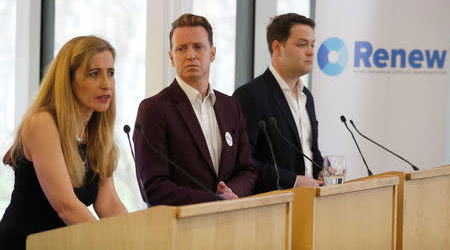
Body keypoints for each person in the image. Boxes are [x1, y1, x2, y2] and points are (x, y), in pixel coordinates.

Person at [0, 36, 127, 249]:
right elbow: (66, 207)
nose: (107, 84)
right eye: (94, 74)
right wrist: (110, 243)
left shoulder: (98, 133)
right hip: (23, 244)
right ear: (68, 81)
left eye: (111, 73)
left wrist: (138, 236)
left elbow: (108, 203)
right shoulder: (42, 124)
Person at [133, 13, 256, 206]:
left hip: (231, 222)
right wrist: (214, 199)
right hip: (179, 228)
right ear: (172, 57)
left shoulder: (230, 106)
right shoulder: (154, 109)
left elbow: (247, 170)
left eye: (198, 47)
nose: (190, 55)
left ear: (212, 53)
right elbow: (153, 187)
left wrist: (232, 192)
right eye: (181, 49)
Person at [233, 13, 324, 194]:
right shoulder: (250, 95)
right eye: (302, 44)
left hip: (310, 203)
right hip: (271, 206)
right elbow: (243, 162)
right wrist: (294, 180)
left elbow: (310, 150)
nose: (311, 52)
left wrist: (322, 171)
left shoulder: (307, 96)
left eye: (312, 45)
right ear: (277, 47)